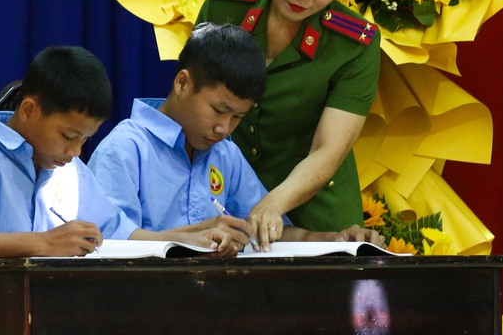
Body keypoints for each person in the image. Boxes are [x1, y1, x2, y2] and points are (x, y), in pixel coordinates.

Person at [0, 46, 241, 259]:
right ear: (30, 110)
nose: (75, 152)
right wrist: (43, 243)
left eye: (85, 140)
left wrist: (193, 240)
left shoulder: (69, 170)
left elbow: (119, 236)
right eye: (68, 135)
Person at [87, 23, 384, 251]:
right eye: (219, 110)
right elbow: (108, 241)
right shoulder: (126, 148)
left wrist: (336, 240)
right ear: (182, 83)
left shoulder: (224, 155)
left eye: (238, 118)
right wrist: (196, 236)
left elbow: (265, 232)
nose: (224, 128)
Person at [194, 0, 381, 236]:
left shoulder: (354, 44)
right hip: (224, 198)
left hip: (317, 214)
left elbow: (329, 148)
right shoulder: (224, 8)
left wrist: (273, 203)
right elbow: (192, 101)